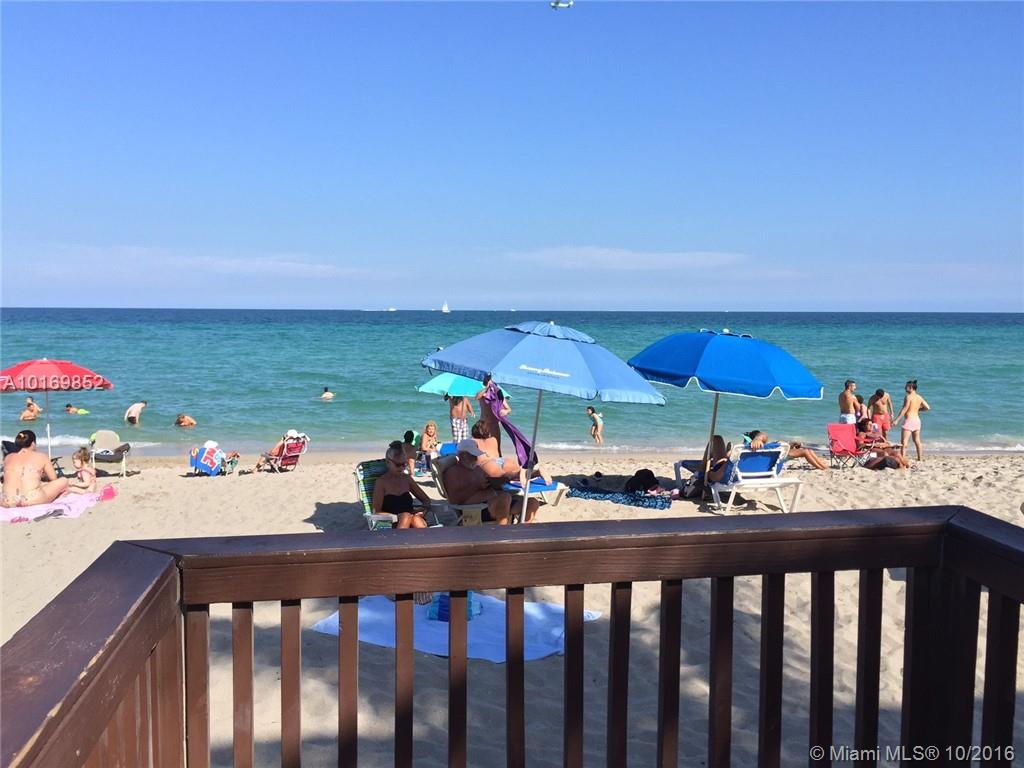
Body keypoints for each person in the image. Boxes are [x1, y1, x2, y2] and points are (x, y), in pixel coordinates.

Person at [443, 440, 539, 523]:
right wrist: (477, 487)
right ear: (462, 455)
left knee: (532, 503)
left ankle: (521, 531)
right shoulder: (453, 472)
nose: (476, 459)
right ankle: (502, 532)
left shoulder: (477, 469)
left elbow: (490, 481)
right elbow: (455, 500)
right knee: (504, 498)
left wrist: (497, 482)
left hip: (494, 503)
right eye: (473, 455)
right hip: (475, 509)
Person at [373, 441, 434, 529]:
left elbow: (426, 500)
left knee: (416, 519)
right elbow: (376, 512)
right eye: (398, 465)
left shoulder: (407, 479)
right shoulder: (381, 482)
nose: (402, 468)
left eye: (404, 464)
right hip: (392, 522)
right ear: (388, 462)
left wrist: (421, 511)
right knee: (405, 516)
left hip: (411, 519)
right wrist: (397, 517)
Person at [1, 430, 69, 507]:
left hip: (6, 500)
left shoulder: (8, 457)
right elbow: (53, 478)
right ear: (33, 443)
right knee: (64, 480)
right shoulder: (42, 456)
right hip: (29, 500)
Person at [746, 430, 829, 470]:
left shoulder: (749, 450)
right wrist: (758, 438)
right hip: (780, 456)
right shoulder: (765, 447)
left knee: (808, 451)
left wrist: (791, 445)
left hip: (778, 455)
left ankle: (823, 466)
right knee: (806, 451)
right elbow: (764, 435)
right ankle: (822, 467)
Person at [893, 380, 931, 461]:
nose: (904, 388)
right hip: (917, 421)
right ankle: (920, 458)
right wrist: (918, 409)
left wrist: (897, 420)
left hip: (909, 421)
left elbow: (904, 409)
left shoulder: (908, 397)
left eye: (906, 386)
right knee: (917, 440)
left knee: (904, 442)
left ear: (910, 387)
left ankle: (903, 459)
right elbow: (927, 407)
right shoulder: (919, 397)